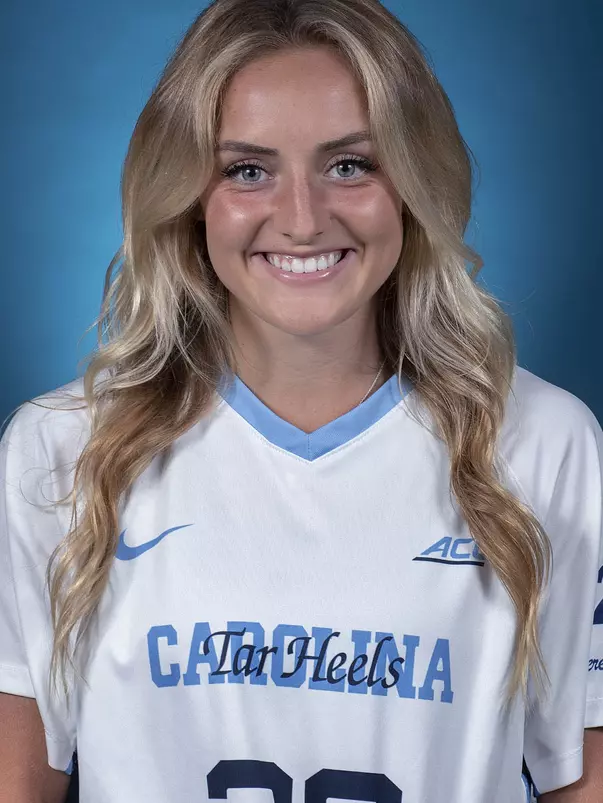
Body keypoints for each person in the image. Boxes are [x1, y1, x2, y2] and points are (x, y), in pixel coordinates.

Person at [1, 0, 602, 800]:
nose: (301, 218)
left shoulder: (540, 442)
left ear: (412, 181)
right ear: (189, 195)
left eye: (349, 164)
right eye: (247, 170)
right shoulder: (65, 448)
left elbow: (579, 781)